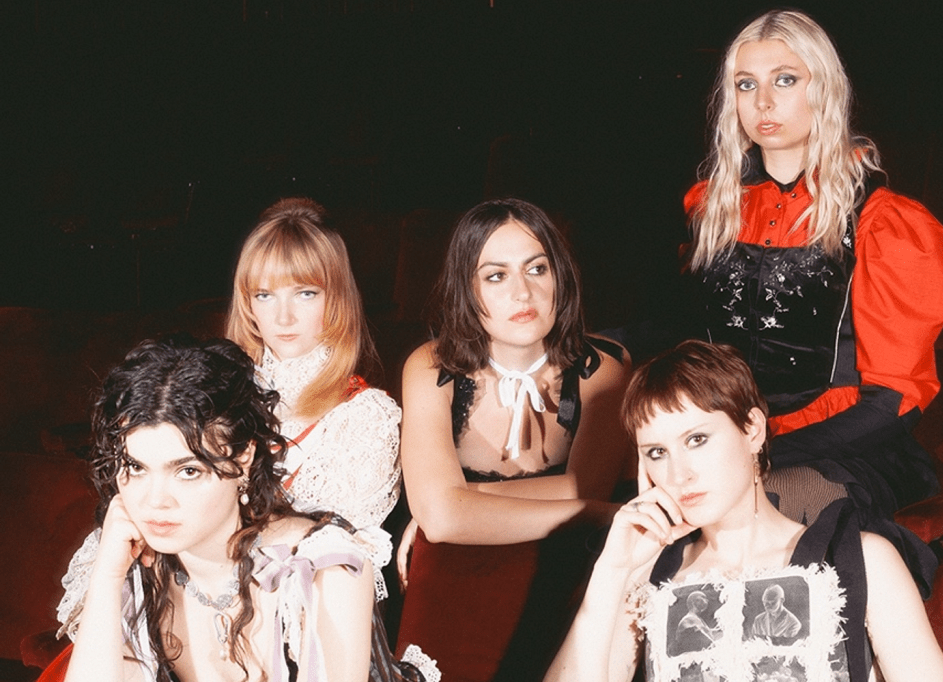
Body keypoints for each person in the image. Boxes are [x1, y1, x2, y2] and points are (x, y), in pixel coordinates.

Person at [680, 9, 943, 588]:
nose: (763, 102)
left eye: (785, 80)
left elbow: (894, 402)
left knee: (776, 504)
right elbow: (683, 340)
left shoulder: (885, 221)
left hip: (846, 450)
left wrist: (759, 455)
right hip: (728, 442)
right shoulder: (711, 207)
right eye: (746, 85)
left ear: (823, 88)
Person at [545, 340, 943, 682]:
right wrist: (611, 574)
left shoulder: (860, 559)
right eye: (657, 452)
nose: (679, 473)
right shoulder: (647, 577)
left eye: (697, 439)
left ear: (752, 429)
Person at [39, 336, 437, 682]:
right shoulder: (135, 566)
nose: (154, 501)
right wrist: (108, 576)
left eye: (188, 470)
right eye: (136, 468)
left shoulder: (320, 569)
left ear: (243, 457)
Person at [396, 197, 633, 682]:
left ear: (560, 276)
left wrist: (459, 498)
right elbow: (441, 520)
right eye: (496, 276)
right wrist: (600, 511)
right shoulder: (430, 367)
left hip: (562, 565)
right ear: (466, 290)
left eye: (537, 269)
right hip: (456, 572)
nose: (522, 292)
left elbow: (585, 487)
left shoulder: (603, 368)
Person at [226, 197, 401, 535]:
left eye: (305, 293)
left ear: (336, 298)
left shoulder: (366, 417)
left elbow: (347, 549)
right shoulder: (218, 397)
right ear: (247, 305)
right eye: (264, 295)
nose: (284, 317)